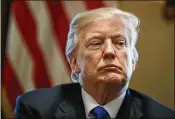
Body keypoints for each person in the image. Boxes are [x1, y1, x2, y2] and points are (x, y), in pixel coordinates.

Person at [14, 7, 174, 119]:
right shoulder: (37, 109)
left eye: (120, 43)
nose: (110, 51)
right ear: (74, 62)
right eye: (96, 43)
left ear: (133, 61)